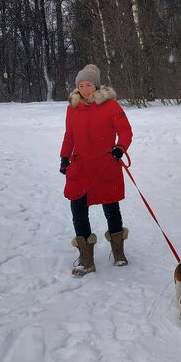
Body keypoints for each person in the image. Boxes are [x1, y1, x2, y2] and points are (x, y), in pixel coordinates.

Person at [59, 64, 133, 276]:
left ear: (96, 85)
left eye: (88, 84)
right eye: (81, 85)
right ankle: (87, 259)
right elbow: (69, 136)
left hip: (105, 164)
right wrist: (64, 157)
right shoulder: (72, 108)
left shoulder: (110, 106)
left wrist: (119, 149)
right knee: (78, 210)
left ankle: (118, 254)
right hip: (80, 167)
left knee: (111, 208)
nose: (84, 89)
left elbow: (126, 132)